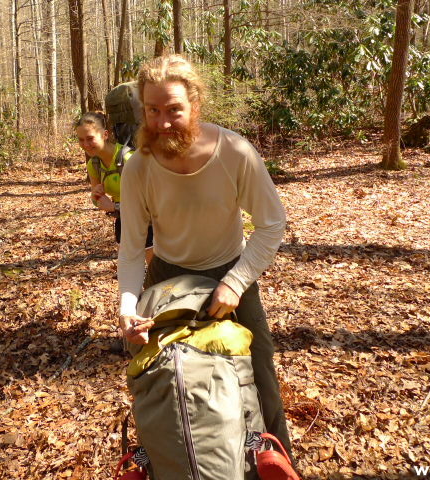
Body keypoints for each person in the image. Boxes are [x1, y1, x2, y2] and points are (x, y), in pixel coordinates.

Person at [117, 55, 293, 459]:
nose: (162, 123)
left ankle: (276, 461)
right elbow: (129, 251)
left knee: (260, 372)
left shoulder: (234, 151)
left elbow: (271, 223)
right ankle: (171, 463)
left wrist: (235, 282)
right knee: (161, 379)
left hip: (230, 273)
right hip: (166, 280)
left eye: (174, 110)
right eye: (152, 110)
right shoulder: (138, 167)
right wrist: (128, 306)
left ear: (195, 105)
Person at [75, 112, 153, 264]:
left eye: (90, 138)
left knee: (155, 273)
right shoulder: (94, 164)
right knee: (129, 271)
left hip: (148, 223)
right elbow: (95, 199)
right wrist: (97, 196)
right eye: (81, 140)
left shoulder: (128, 159)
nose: (85, 144)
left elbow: (149, 203)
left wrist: (113, 206)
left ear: (105, 135)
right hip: (123, 221)